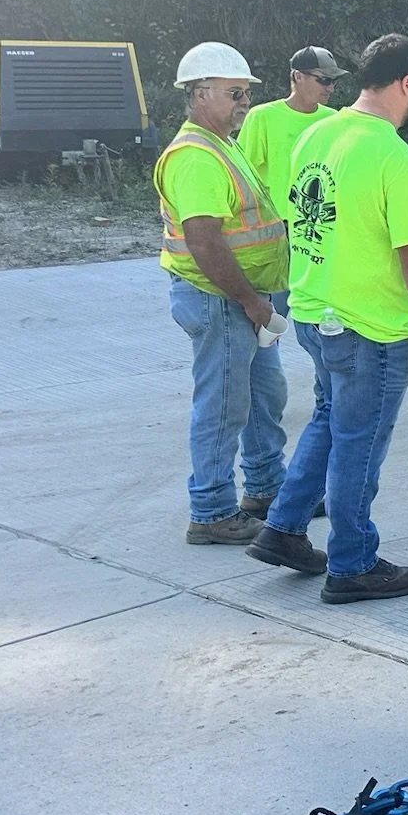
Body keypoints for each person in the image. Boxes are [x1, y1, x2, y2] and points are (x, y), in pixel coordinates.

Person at [246, 34, 408, 604]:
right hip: (370, 328)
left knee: (330, 419)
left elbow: (304, 217)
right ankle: (353, 563)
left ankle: (284, 528)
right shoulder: (397, 159)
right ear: (406, 82)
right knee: (360, 441)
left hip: (313, 311)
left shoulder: (317, 133)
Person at [156, 42, 291, 546]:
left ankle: (265, 489)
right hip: (221, 298)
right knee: (223, 404)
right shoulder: (195, 156)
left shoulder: (221, 144)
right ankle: (212, 510)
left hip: (239, 297)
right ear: (199, 93)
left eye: (247, 93)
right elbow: (205, 242)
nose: (244, 102)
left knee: (262, 396)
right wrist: (252, 303)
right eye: (235, 93)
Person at [236, 45, 348, 223]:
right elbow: (242, 175)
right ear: (298, 76)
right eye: (325, 80)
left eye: (334, 81)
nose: (331, 88)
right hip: (278, 223)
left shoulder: (334, 119)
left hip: (325, 223)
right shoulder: (262, 117)